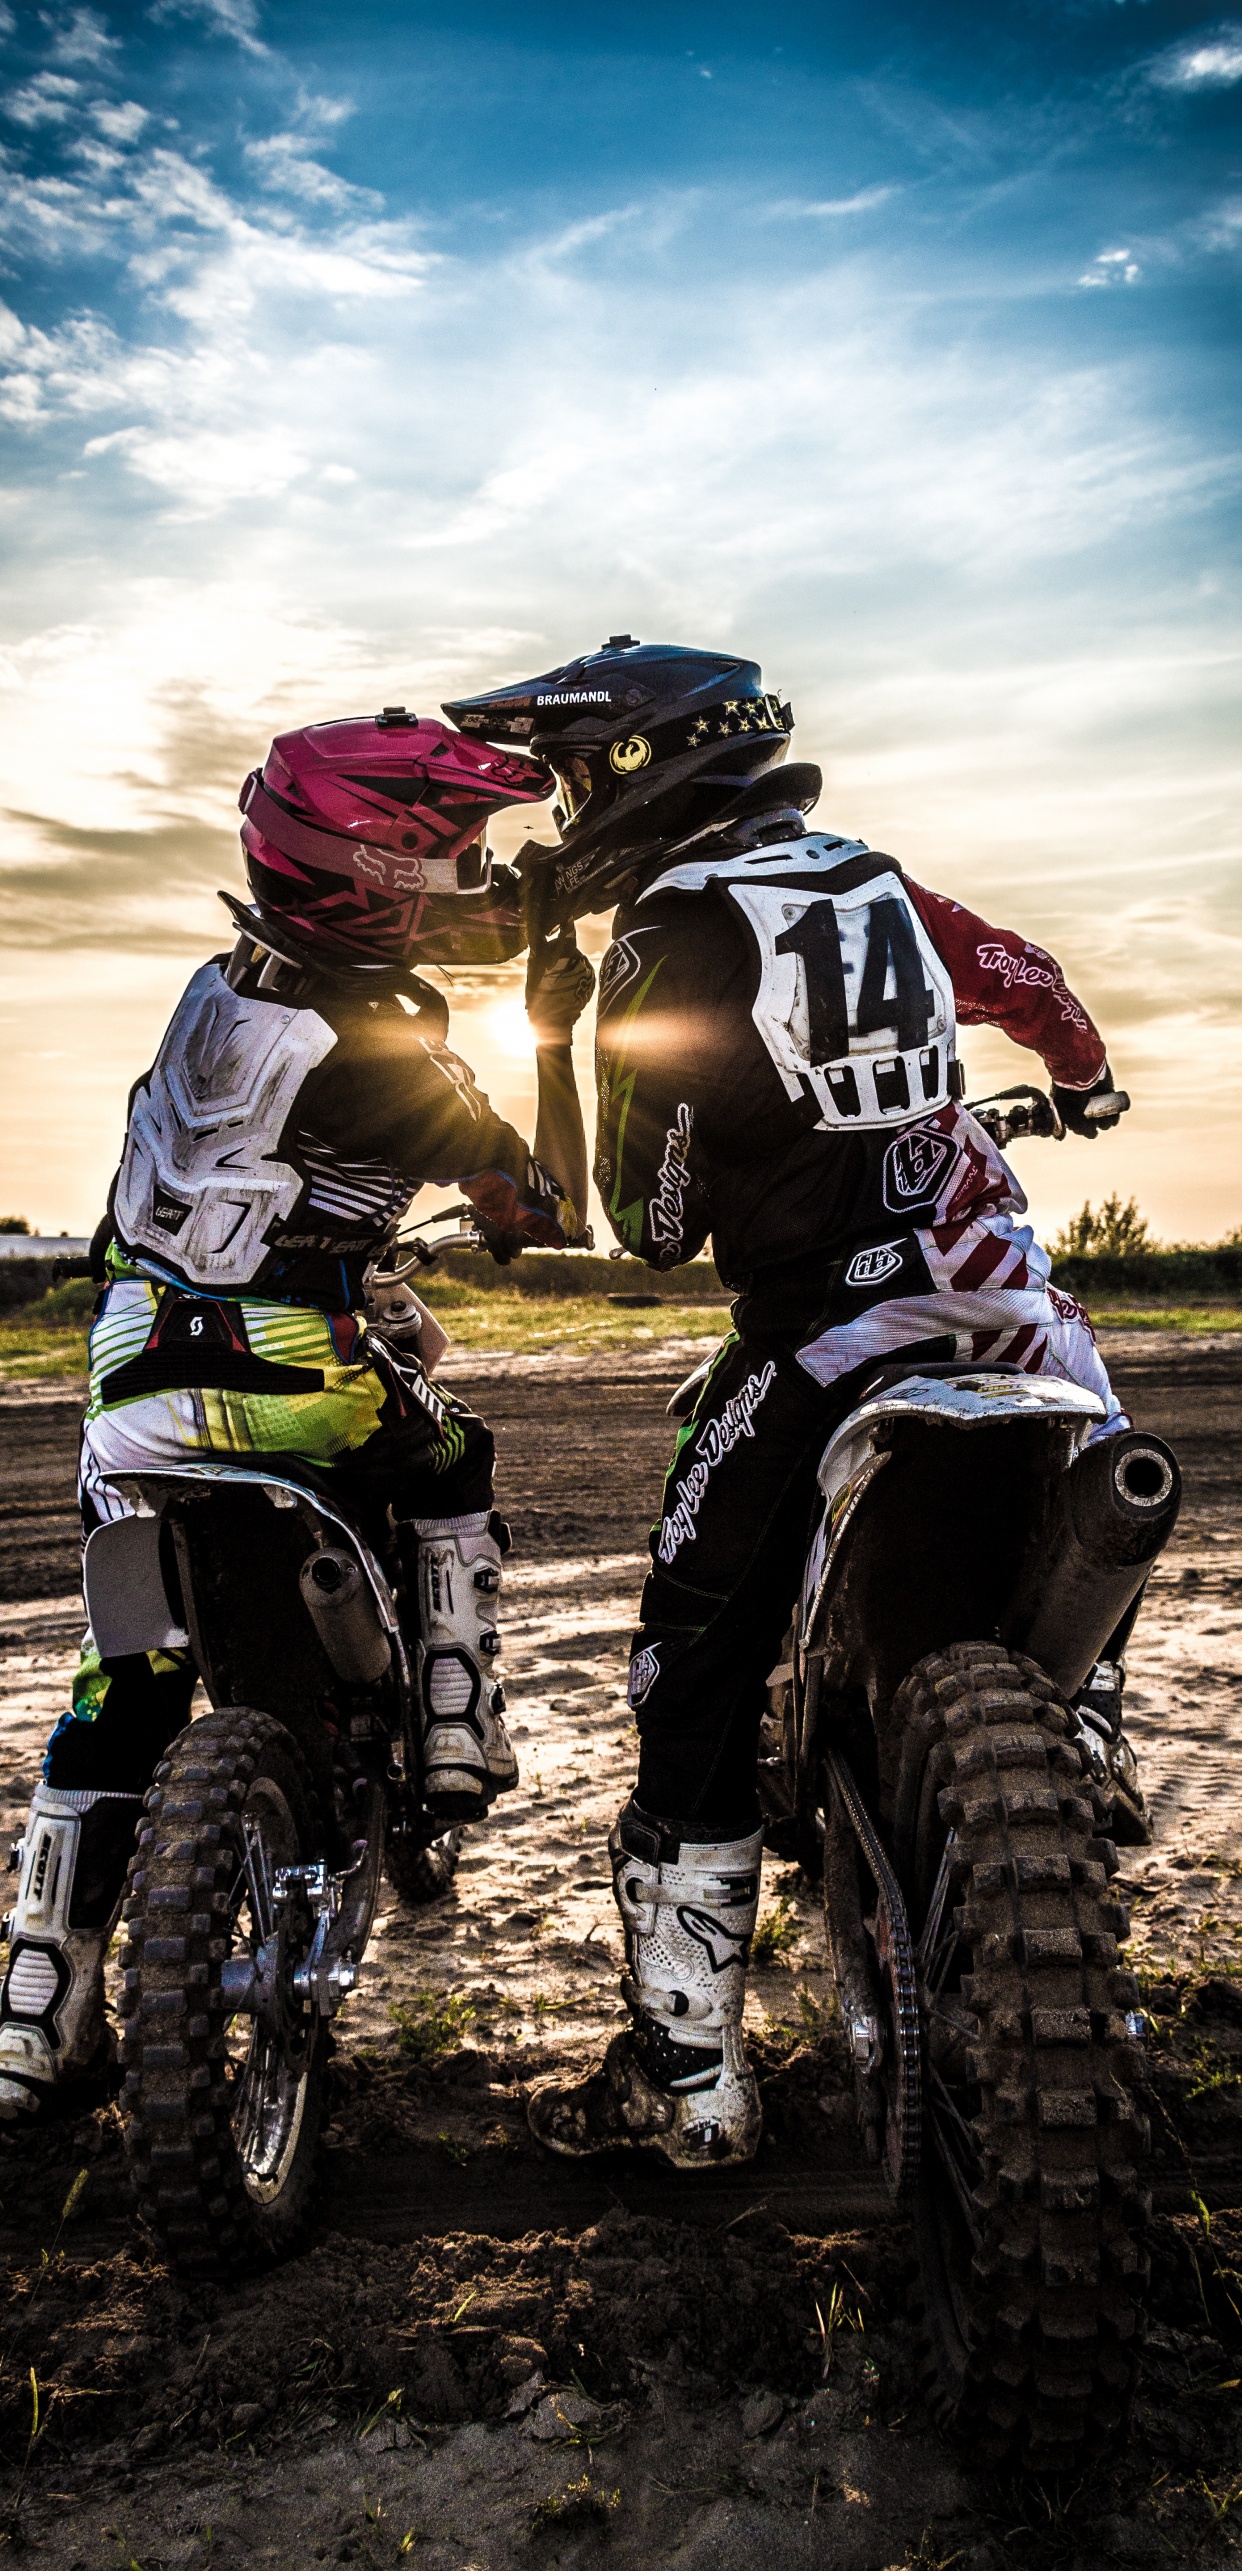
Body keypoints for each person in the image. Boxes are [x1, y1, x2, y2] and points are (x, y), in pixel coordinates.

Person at [442, 637, 1138, 2171]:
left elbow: (654, 1219)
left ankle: (688, 2079)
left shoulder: (671, 935)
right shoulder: (876, 880)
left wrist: (563, 1036)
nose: (559, 815)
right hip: (1020, 1320)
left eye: (567, 775)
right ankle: (1088, 1740)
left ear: (636, 768)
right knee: (1097, 1519)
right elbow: (1024, 981)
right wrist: (1079, 1084)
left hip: (826, 1339)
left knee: (687, 1666)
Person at [0, 708, 593, 2125]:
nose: (479, 883)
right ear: (375, 873)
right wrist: (560, 1043)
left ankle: (38, 1999)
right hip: (289, 1369)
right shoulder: (385, 1049)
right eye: (453, 856)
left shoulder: (217, 989)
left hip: (134, 1376)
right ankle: (454, 1719)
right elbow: (544, 1215)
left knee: (120, 1685)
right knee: (453, 1454)